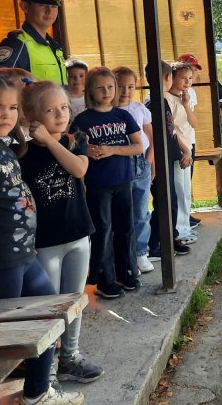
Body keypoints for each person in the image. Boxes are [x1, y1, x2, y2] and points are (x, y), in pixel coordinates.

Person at [0, 71, 83, 405]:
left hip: (25, 257)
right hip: (0, 263)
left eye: (13, 107)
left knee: (51, 318)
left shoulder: (2, 146)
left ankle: (37, 393)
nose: (7, 114)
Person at [19, 81, 104, 384]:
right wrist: (35, 138)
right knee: (49, 306)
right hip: (45, 242)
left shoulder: (75, 138)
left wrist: (51, 141)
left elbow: (79, 169)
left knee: (74, 299)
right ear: (30, 116)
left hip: (79, 233)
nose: (60, 114)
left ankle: (70, 355)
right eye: (50, 110)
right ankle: (48, 367)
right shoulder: (23, 152)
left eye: (64, 107)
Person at [70, 67, 142, 299]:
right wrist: (87, 151)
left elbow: (139, 146)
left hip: (123, 180)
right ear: (90, 90)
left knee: (126, 228)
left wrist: (111, 150)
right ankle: (104, 278)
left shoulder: (123, 116)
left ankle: (127, 271)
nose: (107, 91)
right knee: (103, 230)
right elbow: (74, 148)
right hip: (98, 183)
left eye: (110, 87)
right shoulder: (83, 119)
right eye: (100, 87)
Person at [147, 60, 193, 259]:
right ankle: (155, 243)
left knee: (171, 201)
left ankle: (171, 236)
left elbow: (171, 131)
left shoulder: (163, 101)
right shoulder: (152, 103)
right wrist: (153, 165)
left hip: (168, 157)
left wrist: (185, 150)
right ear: (168, 78)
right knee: (164, 202)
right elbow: (152, 138)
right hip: (158, 161)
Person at [0, 0, 68, 84]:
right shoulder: (17, 44)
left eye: (54, 6)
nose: (49, 11)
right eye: (42, 4)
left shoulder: (54, 46)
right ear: (25, 7)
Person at [113, 66, 156, 274]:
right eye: (120, 86)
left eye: (130, 86)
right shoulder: (109, 111)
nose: (125, 91)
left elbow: (152, 135)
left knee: (141, 210)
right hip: (120, 163)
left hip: (141, 162)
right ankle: (125, 256)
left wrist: (150, 159)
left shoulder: (140, 108)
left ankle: (141, 253)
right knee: (122, 211)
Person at [166, 62, 197, 243]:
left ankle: (185, 228)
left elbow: (194, 123)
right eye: (183, 78)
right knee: (178, 190)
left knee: (185, 190)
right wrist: (183, 151)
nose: (187, 82)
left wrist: (186, 104)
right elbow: (171, 130)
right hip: (177, 150)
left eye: (190, 78)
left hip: (188, 146)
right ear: (171, 78)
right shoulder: (166, 99)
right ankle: (179, 230)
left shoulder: (184, 97)